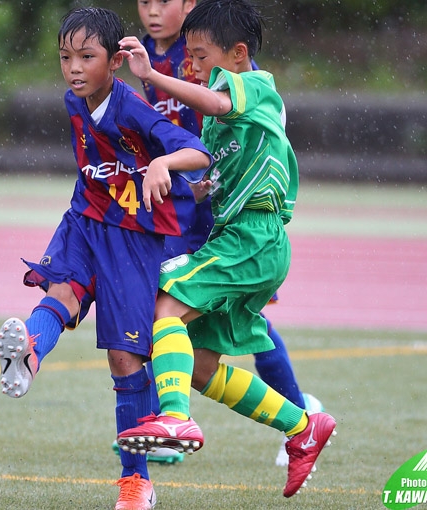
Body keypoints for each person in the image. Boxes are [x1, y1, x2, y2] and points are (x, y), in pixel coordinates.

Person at [116, 0, 336, 498]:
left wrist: (151, 75)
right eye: (188, 56)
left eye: (200, 57)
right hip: (237, 237)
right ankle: (303, 425)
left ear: (237, 54)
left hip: (253, 237)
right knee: (198, 366)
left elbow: (215, 104)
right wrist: (179, 182)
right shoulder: (220, 116)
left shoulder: (255, 86)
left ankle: (174, 419)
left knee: (165, 303)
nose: (191, 66)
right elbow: (211, 172)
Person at [0, 7, 212, 510]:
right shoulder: (74, 101)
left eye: (86, 57)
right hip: (85, 221)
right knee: (62, 291)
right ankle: (30, 351)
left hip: (133, 237)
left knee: (124, 360)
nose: (74, 68)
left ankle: (137, 482)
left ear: (114, 62)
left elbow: (198, 152)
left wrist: (161, 163)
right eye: (65, 57)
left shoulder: (132, 109)